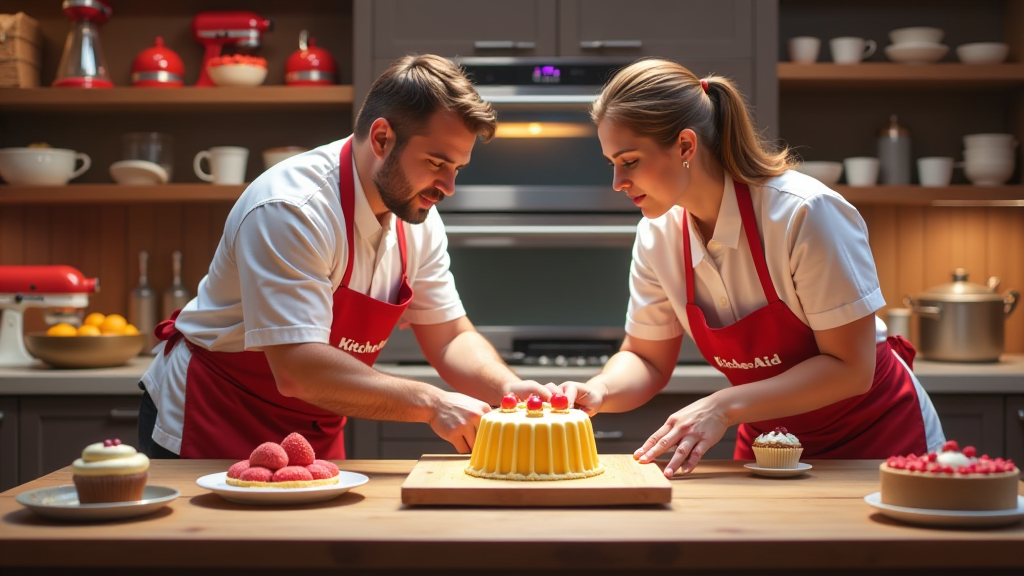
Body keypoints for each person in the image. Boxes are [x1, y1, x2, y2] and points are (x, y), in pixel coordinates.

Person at [138, 54, 551, 459]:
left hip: (312, 431)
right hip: (215, 418)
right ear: (382, 138)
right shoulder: (293, 209)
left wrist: (507, 388)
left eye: (457, 168)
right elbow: (298, 368)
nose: (448, 186)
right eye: (435, 162)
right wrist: (432, 403)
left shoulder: (417, 215)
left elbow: (450, 337)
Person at [556, 58, 944, 477]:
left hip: (877, 438)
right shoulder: (658, 235)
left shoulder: (804, 214)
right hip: (771, 443)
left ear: (686, 146)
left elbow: (851, 368)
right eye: (612, 163)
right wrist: (598, 390)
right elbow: (646, 359)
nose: (617, 182)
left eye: (629, 161)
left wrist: (721, 406)